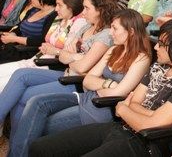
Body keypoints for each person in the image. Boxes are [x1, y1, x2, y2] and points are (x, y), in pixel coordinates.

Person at [29, 18, 172, 157]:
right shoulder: (160, 66)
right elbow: (136, 102)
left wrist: (124, 109)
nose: (156, 47)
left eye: (161, 44)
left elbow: (150, 125)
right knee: (40, 148)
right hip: (121, 128)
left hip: (144, 144)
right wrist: (145, 113)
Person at [6, 9, 151, 157]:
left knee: (36, 124)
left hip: (99, 109)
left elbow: (119, 92)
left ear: (131, 31)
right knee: (36, 103)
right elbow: (87, 80)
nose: (110, 32)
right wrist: (108, 84)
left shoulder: (141, 58)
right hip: (86, 97)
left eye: (115, 28)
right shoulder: (114, 50)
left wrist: (101, 85)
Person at [0, 0, 118, 138]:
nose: (83, 11)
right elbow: (64, 56)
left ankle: (18, 146)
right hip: (67, 72)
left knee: (23, 95)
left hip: (77, 82)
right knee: (20, 75)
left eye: (87, 8)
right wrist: (75, 56)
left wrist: (71, 56)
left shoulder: (106, 34)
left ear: (100, 10)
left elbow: (81, 67)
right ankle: (17, 142)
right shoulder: (87, 26)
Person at [0, 0, 85, 92]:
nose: (56, 8)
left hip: (51, 64)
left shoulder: (79, 22)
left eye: (59, 5)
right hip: (37, 58)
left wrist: (53, 50)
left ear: (71, 6)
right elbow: (47, 41)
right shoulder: (58, 18)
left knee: (4, 82)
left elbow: (69, 52)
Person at [0, 0, 58, 64]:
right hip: (16, 46)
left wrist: (15, 39)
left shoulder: (53, 16)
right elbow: (19, 26)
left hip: (28, 52)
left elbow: (42, 40)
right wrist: (13, 33)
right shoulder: (33, 10)